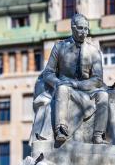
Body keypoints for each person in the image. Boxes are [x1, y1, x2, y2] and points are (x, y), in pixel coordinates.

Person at [37, 14, 109, 144]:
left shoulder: (93, 51)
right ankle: (61, 129)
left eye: (86, 29)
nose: (84, 32)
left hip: (86, 89)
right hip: (64, 87)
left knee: (103, 96)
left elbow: (98, 79)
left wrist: (77, 84)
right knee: (63, 89)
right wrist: (59, 82)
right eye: (80, 28)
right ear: (73, 28)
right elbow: (48, 72)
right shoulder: (60, 47)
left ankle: (98, 135)